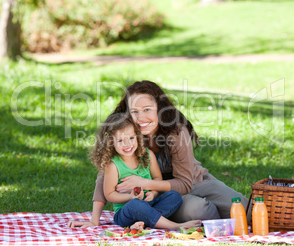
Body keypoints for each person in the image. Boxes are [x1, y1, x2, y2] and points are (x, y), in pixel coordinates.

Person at [68, 80, 250, 228]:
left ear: (160, 108)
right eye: (134, 112)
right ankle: (219, 226)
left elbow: (185, 184)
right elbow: (105, 175)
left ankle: (226, 221)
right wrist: (94, 220)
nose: (141, 119)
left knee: (244, 208)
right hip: (158, 195)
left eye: (147, 109)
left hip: (193, 182)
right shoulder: (129, 137)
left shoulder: (176, 133)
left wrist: (144, 183)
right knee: (198, 210)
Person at [68, 113, 201, 229]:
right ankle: (175, 226)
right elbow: (109, 194)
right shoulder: (113, 165)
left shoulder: (147, 155)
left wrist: (153, 194)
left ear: (137, 136)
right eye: (120, 140)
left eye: (131, 138)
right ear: (110, 142)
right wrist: (130, 197)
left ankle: (143, 222)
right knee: (136, 205)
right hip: (126, 212)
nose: (127, 144)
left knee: (174, 196)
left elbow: (157, 179)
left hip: (149, 204)